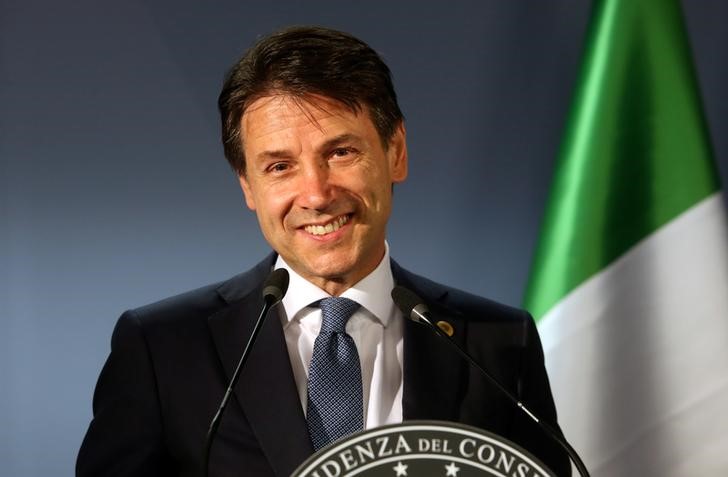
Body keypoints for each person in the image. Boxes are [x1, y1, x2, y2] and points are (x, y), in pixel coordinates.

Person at [77, 26, 570, 476]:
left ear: (395, 151)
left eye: (340, 152)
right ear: (248, 186)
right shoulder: (163, 348)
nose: (315, 194)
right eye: (279, 167)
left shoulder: (496, 342)